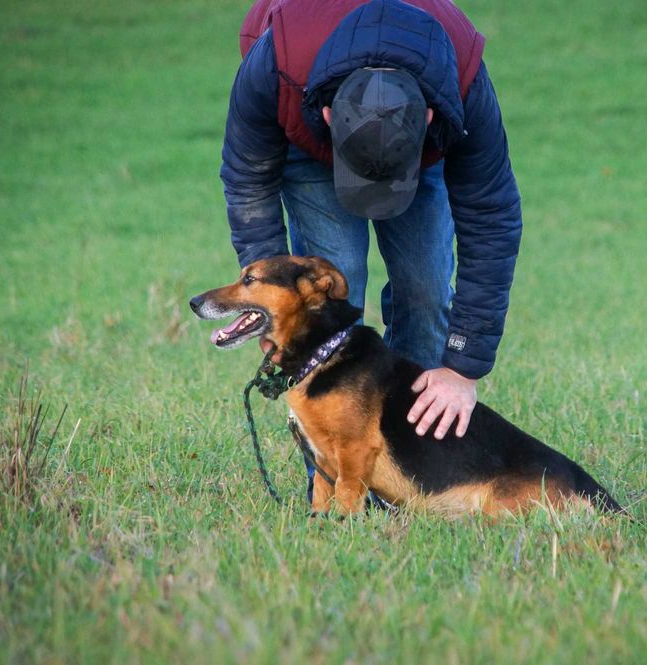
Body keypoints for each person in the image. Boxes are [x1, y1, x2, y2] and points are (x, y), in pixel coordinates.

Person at [222, 0, 522, 450]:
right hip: (309, 131)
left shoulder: (461, 81)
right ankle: (332, 476)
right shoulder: (279, 63)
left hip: (420, 150)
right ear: (328, 115)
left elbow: (491, 215)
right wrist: (276, 306)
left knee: (426, 290)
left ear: (425, 117)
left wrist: (463, 365)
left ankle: (410, 457)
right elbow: (248, 180)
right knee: (332, 287)